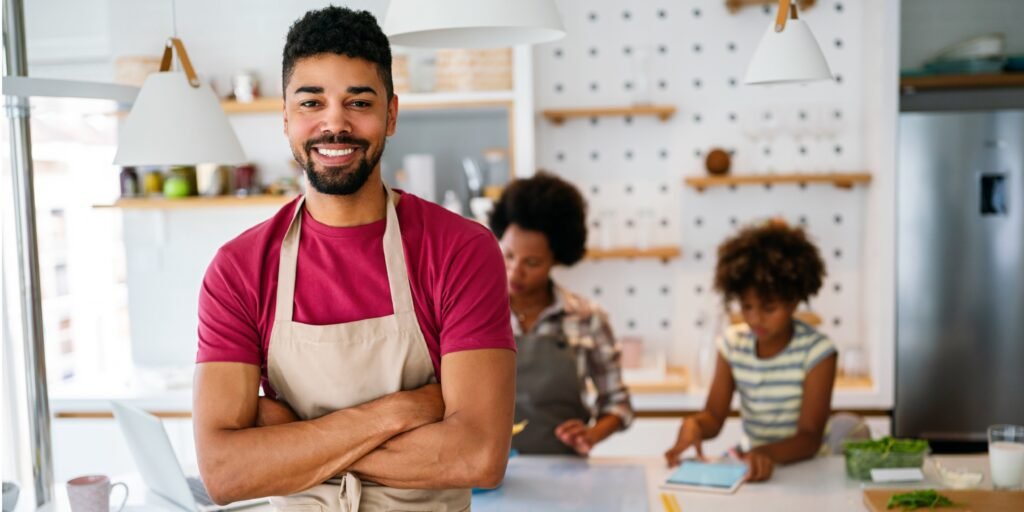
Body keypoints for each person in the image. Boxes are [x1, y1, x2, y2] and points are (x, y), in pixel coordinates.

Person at [191, 7, 516, 511]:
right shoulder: (239, 269)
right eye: (311, 102)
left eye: (358, 102)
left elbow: (479, 456)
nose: (334, 123)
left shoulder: (461, 251)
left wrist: (293, 440)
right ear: (285, 118)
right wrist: (404, 411)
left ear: (391, 115)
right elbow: (225, 472)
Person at [664, 220, 836, 482]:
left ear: (794, 300)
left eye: (769, 309)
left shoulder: (817, 352)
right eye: (746, 306)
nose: (755, 319)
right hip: (755, 465)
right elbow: (714, 415)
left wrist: (763, 453)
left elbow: (809, 437)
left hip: (805, 471)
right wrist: (695, 425)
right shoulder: (734, 344)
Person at [488, 172, 634, 455]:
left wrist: (591, 435)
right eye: (507, 255)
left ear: (557, 259)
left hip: (564, 473)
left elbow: (618, 403)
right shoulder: (472, 312)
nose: (515, 271)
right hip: (486, 476)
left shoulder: (587, 318)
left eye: (532, 262)